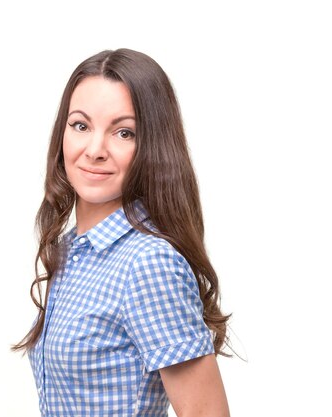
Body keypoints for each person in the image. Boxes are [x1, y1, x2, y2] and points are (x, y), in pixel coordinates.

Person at [13, 48, 231, 417]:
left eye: (124, 132)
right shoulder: (71, 251)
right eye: (80, 125)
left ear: (151, 146)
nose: (94, 150)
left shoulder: (148, 262)